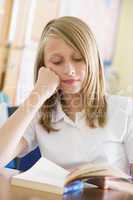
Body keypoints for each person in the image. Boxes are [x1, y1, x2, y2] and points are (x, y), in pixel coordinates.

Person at [0, 16, 133, 187]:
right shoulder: (41, 113)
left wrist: (115, 185)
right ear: (44, 66)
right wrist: (38, 94)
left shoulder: (125, 110)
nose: (69, 70)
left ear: (92, 60)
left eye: (78, 59)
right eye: (57, 61)